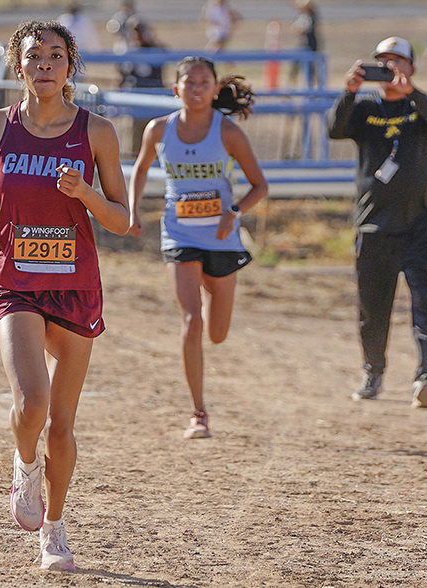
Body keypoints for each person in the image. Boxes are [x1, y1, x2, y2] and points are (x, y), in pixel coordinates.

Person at [0, 20, 129, 571]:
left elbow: (124, 221)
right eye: (35, 56)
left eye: (56, 55)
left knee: (63, 424)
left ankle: (53, 531)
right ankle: (24, 466)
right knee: (32, 404)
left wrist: (87, 194)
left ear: (70, 66)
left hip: (76, 285)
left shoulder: (96, 132)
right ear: (19, 65)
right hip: (17, 280)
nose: (46, 64)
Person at [127, 57, 268, 439]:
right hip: (179, 234)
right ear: (176, 89)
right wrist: (133, 211)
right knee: (192, 320)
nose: (196, 88)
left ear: (214, 89)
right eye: (189, 82)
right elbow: (140, 169)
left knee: (217, 333)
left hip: (221, 237)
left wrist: (233, 212)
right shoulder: (159, 130)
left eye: (204, 81)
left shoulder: (228, 133)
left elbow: (260, 186)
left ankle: (211, 291)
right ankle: (198, 412)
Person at [327, 37, 427, 409]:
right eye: (382, 62)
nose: (390, 69)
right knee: (372, 309)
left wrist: (411, 93)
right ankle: (373, 372)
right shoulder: (365, 110)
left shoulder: (425, 107)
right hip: (373, 228)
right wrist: (348, 92)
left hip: (419, 226)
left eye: (398, 62)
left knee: (424, 303)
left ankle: (425, 378)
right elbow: (335, 129)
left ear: (412, 67)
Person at [288, 0, 319, 84]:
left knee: (311, 68)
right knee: (295, 65)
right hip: (302, 45)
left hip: (310, 45)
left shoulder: (311, 16)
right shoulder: (302, 16)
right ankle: (291, 84)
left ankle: (311, 86)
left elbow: (304, 29)